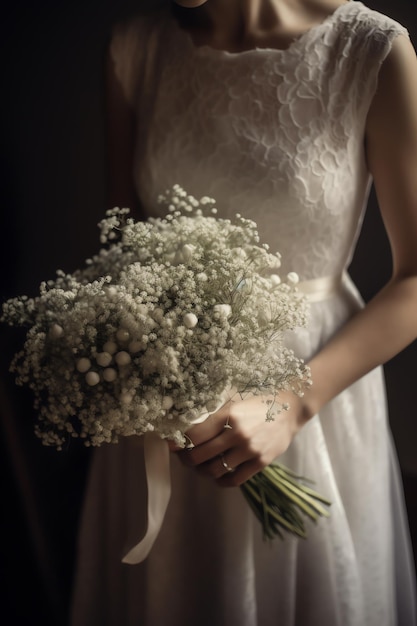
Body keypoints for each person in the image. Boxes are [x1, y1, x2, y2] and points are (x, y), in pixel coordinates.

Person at [71, 1, 417, 624]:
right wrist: (141, 366)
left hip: (312, 395)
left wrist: (291, 404)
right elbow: (121, 246)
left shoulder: (370, 51)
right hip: (163, 399)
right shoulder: (137, 48)